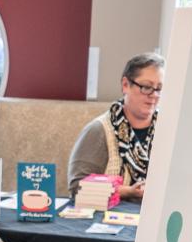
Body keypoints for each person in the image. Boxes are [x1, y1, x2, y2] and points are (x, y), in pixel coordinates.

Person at [67, 52, 165, 201]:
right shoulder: (99, 131)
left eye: (159, 88)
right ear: (125, 85)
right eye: (146, 87)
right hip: (109, 218)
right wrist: (128, 191)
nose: (154, 95)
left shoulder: (168, 130)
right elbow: (78, 187)